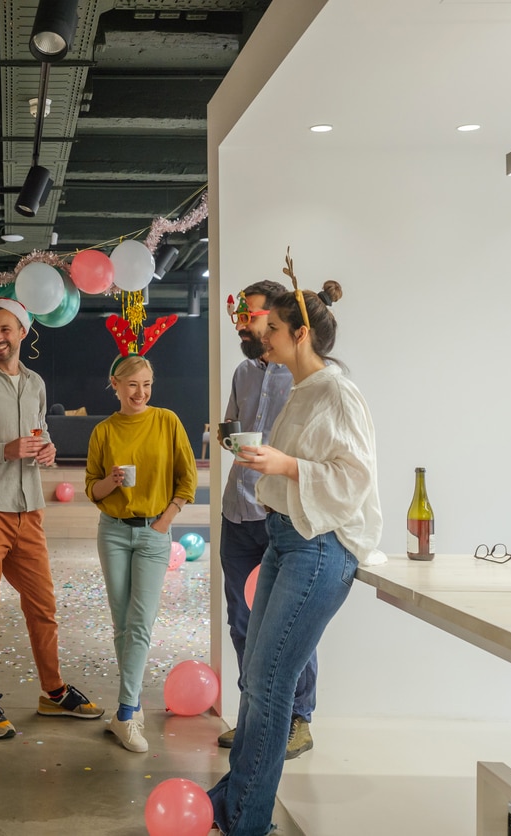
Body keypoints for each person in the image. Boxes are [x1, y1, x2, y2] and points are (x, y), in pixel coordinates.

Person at [207, 273, 383, 836]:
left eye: (274, 328)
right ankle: (236, 799)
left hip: (319, 546)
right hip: (288, 539)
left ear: (301, 333)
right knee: (256, 682)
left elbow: (355, 479)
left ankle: (246, 818)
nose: (264, 335)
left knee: (269, 683)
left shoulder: (336, 390)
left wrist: (283, 465)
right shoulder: (302, 388)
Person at [0, 296, 105, 739]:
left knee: (43, 608)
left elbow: (40, 431)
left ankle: (53, 692)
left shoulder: (34, 384)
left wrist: (46, 447)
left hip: (28, 510)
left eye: (5, 330)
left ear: (23, 331)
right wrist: (2, 451)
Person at [215, 279, 331, 757]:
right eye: (241, 315)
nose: (245, 323)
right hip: (237, 510)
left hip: (280, 515)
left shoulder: (306, 379)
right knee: (243, 623)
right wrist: (229, 438)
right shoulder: (244, 372)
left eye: (254, 315)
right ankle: (256, 717)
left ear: (278, 319)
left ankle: (297, 719)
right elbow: (231, 427)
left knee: (287, 626)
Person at [85, 354, 197, 752]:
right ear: (114, 384)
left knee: (141, 623)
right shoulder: (103, 431)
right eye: (132, 384)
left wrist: (166, 520)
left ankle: (127, 710)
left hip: (154, 533)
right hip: (113, 532)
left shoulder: (167, 421)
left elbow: (188, 477)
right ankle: (129, 706)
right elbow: (91, 491)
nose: (141, 392)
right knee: (122, 623)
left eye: (147, 384)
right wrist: (111, 481)